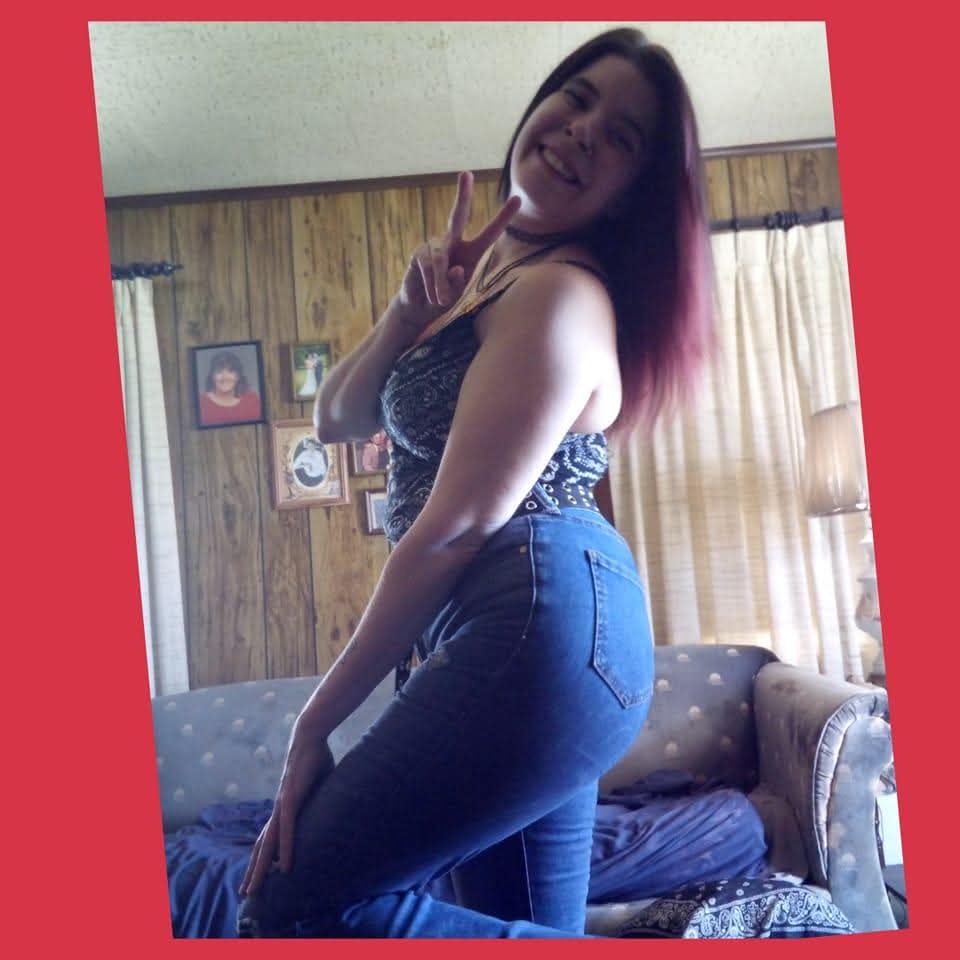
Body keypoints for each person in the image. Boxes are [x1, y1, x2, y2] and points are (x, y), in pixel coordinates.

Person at [238, 27, 715, 938]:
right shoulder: (500, 284)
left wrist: (313, 725)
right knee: (519, 922)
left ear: (630, 193)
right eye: (577, 98)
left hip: (538, 612)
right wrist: (407, 314)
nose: (583, 130)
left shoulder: (559, 296)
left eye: (620, 136)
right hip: (545, 629)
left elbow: (456, 529)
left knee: (292, 902)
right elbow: (336, 418)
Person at [198, 350, 262, 425]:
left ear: (238, 376)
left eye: (230, 371)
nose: (225, 377)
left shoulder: (252, 399)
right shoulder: (202, 402)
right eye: (219, 372)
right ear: (212, 376)